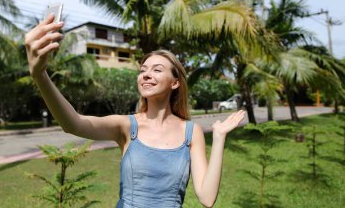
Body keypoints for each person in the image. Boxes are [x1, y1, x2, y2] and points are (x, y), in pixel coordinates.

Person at [25, 14, 246, 208]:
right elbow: (72, 123)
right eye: (143, 70)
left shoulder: (191, 132)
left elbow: (207, 199)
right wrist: (40, 75)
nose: (146, 74)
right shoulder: (126, 126)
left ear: (175, 83)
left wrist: (218, 138)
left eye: (157, 70)